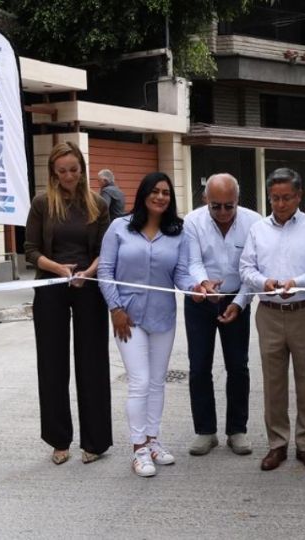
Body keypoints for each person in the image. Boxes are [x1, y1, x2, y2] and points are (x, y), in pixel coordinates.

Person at [98, 172, 191, 477]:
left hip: (163, 318)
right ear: (143, 194)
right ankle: (138, 448)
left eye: (166, 192)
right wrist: (115, 308)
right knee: (139, 381)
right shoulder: (119, 228)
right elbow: (106, 270)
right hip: (129, 317)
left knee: (157, 381)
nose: (160, 197)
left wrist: (199, 288)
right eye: (155, 191)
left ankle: (153, 440)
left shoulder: (179, 232)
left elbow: (181, 275)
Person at [24, 141, 112, 465]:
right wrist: (58, 269)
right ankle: (59, 440)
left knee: (92, 364)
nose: (68, 176)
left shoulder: (98, 204)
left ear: (82, 169)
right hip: (51, 286)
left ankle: (95, 441)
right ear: (53, 172)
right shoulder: (42, 204)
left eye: (73, 170)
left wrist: (88, 272)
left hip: (88, 287)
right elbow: (30, 250)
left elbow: (107, 250)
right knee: (52, 364)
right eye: (62, 171)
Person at [240, 168, 305, 471]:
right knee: (273, 383)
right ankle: (277, 444)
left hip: (304, 311)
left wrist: (297, 282)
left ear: (299, 195)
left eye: (286, 198)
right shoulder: (257, 229)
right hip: (268, 313)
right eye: (275, 198)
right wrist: (262, 282)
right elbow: (246, 269)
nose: (280, 204)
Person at [183, 173, 261, 457]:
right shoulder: (192, 221)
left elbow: (253, 270)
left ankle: (237, 430)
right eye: (216, 206)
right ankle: (205, 431)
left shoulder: (254, 222)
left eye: (230, 206)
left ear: (238, 200)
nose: (224, 213)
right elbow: (192, 261)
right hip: (201, 298)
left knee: (238, 366)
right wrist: (204, 284)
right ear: (206, 199)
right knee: (199, 366)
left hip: (237, 299)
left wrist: (239, 303)